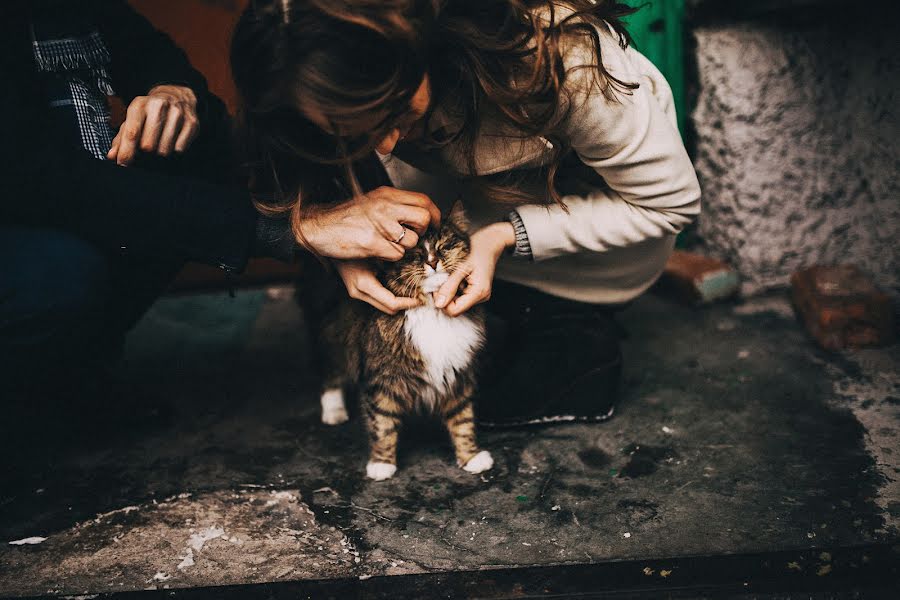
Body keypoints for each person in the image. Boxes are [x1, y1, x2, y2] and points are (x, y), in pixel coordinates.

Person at [230, 0, 702, 426]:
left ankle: (568, 324)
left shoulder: (563, 57)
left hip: (587, 244)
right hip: (456, 224)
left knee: (484, 399)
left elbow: (671, 203)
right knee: (410, 383)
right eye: (351, 133)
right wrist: (338, 247)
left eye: (395, 114)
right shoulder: (298, 82)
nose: (387, 147)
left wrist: (503, 237)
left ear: (417, 42)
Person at [0, 0, 440, 401]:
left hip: (69, 190)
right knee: (58, 276)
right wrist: (301, 228)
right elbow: (46, 183)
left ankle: (80, 359)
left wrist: (173, 89)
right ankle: (41, 395)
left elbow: (142, 44)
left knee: (195, 142)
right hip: (28, 220)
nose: (386, 144)